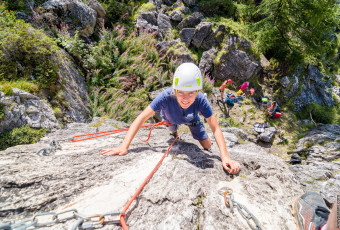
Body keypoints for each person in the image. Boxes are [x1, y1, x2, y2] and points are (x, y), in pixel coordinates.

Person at [102, 63, 241, 174]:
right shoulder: (166, 96)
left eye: (191, 93)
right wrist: (124, 146)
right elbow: (141, 118)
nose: (185, 98)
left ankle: (179, 131)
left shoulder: (201, 100)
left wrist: (225, 157)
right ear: (174, 90)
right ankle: (174, 132)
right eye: (180, 92)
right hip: (170, 118)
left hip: (192, 119)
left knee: (207, 145)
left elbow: (215, 127)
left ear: (197, 91)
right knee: (172, 131)